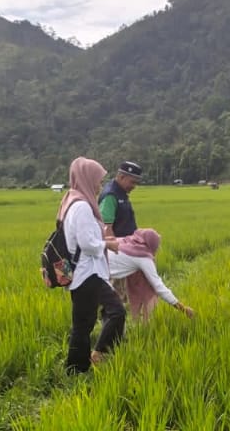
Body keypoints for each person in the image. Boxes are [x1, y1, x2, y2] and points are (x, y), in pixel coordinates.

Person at [58, 156, 126, 374]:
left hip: (81, 274)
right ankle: (88, 362)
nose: (100, 185)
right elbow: (87, 244)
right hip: (88, 274)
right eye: (97, 180)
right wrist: (108, 244)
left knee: (83, 323)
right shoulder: (82, 207)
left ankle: (77, 368)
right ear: (87, 179)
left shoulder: (70, 200)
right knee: (115, 312)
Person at [108, 228, 195, 323]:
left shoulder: (126, 241)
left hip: (96, 270)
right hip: (99, 277)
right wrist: (183, 308)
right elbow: (159, 287)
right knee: (116, 311)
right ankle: (111, 336)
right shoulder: (143, 257)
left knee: (109, 310)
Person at [98, 160, 143, 238]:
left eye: (136, 183)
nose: (134, 186)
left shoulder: (121, 192)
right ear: (121, 177)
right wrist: (114, 248)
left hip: (126, 245)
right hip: (119, 247)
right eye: (132, 182)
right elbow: (106, 228)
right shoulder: (110, 195)